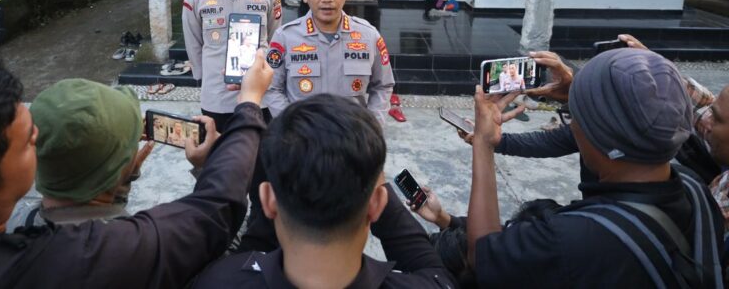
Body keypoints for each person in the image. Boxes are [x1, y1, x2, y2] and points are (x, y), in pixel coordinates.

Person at [0, 51, 271, 288]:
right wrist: (249, 103)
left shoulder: (19, 225)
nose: (38, 137)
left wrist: (119, 180)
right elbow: (214, 213)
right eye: (29, 141)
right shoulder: (83, 260)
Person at [467, 48, 724, 288]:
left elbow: (482, 256)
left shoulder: (571, 240)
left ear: (597, 137)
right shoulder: (694, 188)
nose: (571, 125)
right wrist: (582, 97)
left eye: (574, 118)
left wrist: (483, 143)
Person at [191, 94, 458, 288]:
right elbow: (434, 271)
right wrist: (376, 179)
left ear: (268, 200)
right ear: (378, 204)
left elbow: (246, 247)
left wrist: (211, 167)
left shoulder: (219, 279)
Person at [7, 79, 153, 230]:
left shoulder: (15, 223)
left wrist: (120, 181)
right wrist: (123, 173)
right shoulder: (138, 238)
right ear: (114, 168)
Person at [265, 0, 394, 123]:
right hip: (302, 137)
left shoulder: (369, 36)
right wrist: (291, 127)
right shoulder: (285, 38)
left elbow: (383, 85)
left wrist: (372, 126)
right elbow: (272, 88)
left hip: (351, 136)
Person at [182, 0, 282, 132]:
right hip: (217, 97)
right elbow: (194, 46)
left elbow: (273, 39)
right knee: (217, 147)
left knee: (260, 148)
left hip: (259, 96)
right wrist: (205, 81)